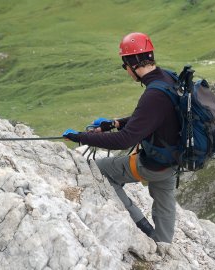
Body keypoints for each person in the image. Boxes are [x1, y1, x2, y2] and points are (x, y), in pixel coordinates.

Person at [63, 32, 180, 243]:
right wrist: (115, 123)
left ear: (132, 63)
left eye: (124, 65)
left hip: (152, 164)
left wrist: (82, 137)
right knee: (165, 202)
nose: (126, 71)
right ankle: (163, 245)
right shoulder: (169, 78)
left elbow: (124, 140)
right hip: (173, 160)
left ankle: (140, 225)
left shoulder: (154, 95)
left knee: (98, 170)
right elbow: (152, 117)